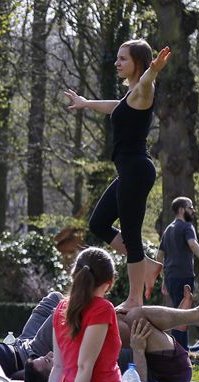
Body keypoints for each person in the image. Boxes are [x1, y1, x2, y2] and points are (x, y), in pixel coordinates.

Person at [43, 248, 199, 382]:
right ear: (110, 282)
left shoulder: (61, 309)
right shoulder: (102, 309)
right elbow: (84, 366)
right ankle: (194, 316)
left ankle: (194, 315)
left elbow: (58, 367)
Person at [63, 40, 171, 314]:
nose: (117, 63)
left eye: (123, 59)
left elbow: (146, 82)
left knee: (132, 236)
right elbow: (117, 107)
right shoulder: (131, 96)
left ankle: (135, 298)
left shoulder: (145, 89)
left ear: (138, 63)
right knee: (98, 223)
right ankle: (146, 265)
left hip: (136, 170)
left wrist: (154, 70)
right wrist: (86, 104)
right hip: (129, 171)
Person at [156, 197, 199, 350]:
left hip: (170, 277)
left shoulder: (168, 229)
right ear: (182, 210)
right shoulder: (187, 227)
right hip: (183, 276)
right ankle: (181, 351)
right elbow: (193, 244)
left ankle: (178, 349)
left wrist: (164, 278)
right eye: (190, 208)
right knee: (183, 314)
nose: (193, 210)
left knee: (177, 312)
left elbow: (159, 255)